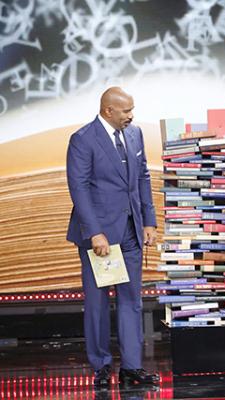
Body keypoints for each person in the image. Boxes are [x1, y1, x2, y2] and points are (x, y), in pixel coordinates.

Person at [66, 87, 159, 388]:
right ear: (108, 110)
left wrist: (149, 221)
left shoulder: (135, 135)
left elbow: (143, 177)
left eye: (133, 109)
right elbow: (79, 189)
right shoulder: (82, 140)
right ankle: (101, 367)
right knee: (97, 303)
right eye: (126, 110)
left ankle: (131, 367)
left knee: (132, 300)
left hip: (131, 228)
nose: (131, 115)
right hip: (101, 236)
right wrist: (95, 232)